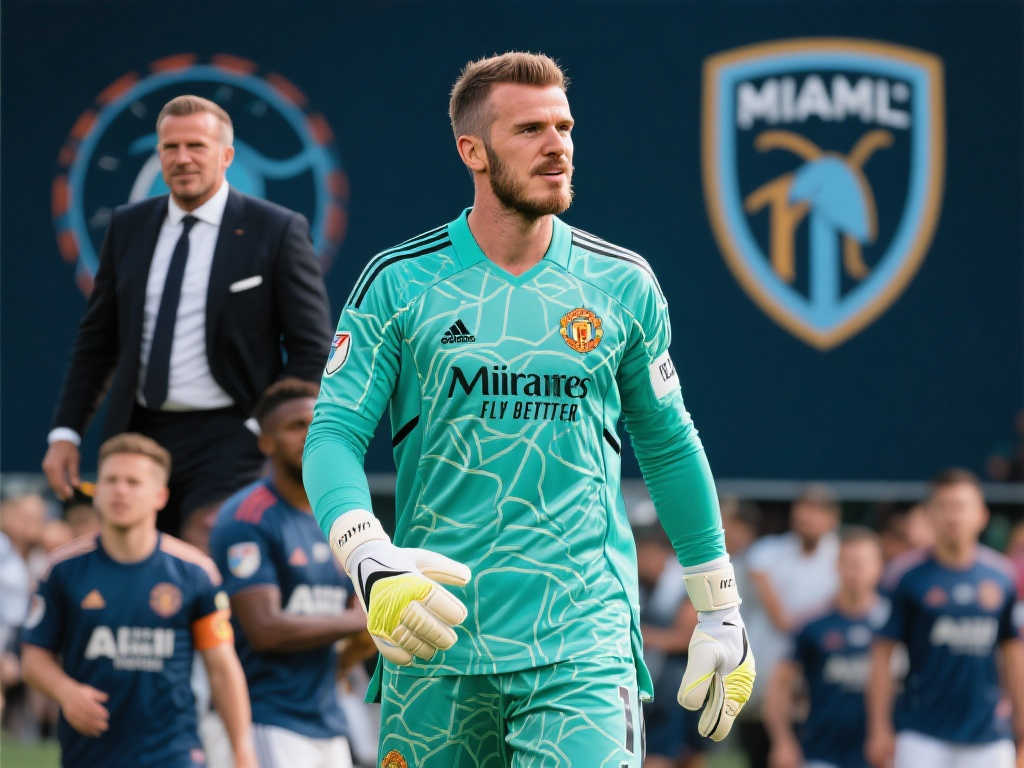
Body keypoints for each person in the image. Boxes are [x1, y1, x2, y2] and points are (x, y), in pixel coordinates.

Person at [303, 51, 756, 768]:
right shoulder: (398, 282)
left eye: (564, 127)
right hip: (431, 628)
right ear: (473, 151)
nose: (557, 146)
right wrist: (367, 558)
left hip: (583, 639)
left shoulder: (622, 283)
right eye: (530, 130)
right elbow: (332, 433)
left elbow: (670, 445)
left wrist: (720, 603)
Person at [43, 94, 332, 535]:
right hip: (139, 429)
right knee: (137, 555)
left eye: (196, 145)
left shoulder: (275, 230)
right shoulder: (128, 226)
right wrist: (66, 433)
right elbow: (97, 342)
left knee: (208, 545)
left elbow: (312, 349)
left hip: (234, 434)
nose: (182, 158)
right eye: (170, 147)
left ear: (227, 156)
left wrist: (262, 427)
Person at [21, 433, 257, 768]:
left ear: (160, 496)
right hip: (89, 754)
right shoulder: (62, 570)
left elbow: (222, 668)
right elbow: (34, 658)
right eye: (111, 480)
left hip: (173, 753)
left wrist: (243, 751)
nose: (120, 490)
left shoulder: (195, 572)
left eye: (133, 482)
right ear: (97, 490)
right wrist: (66, 692)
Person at [210, 380, 369, 767]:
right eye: (296, 426)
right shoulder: (247, 517)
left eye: (317, 424)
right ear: (266, 442)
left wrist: (354, 646)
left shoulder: (337, 517)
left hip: (328, 719)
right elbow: (265, 630)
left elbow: (364, 625)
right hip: (266, 720)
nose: (309, 435)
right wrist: (361, 620)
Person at [866, 469, 1024, 768]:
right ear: (929, 515)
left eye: (961, 506)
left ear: (982, 515)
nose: (954, 517)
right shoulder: (905, 577)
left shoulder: (1001, 576)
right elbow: (881, 655)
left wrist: (1021, 724)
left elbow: (1013, 653)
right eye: (944, 507)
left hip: (987, 734)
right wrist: (879, 728)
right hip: (922, 735)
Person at [765, 527, 885, 768]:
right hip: (821, 752)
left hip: (882, 753)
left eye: (862, 563)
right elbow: (780, 685)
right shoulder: (812, 624)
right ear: (837, 565)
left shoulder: (893, 622)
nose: (856, 572)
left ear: (878, 567)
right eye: (849, 563)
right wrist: (783, 741)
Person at [743, 485, 840, 768]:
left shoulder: (842, 555)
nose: (807, 519)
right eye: (803, 511)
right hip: (767, 666)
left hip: (819, 672)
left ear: (832, 518)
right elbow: (780, 618)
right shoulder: (765, 552)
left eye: (816, 512)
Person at [635, 525, 707, 768]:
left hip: (684, 682)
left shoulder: (684, 582)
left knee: (682, 756)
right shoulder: (641, 584)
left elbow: (689, 638)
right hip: (657, 683)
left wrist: (641, 637)